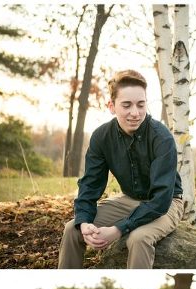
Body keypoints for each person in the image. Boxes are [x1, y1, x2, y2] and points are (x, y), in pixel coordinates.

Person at [58, 69, 184, 269]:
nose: (135, 113)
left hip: (167, 203)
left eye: (141, 105)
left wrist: (118, 229)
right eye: (127, 105)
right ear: (111, 106)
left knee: (138, 238)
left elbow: (161, 200)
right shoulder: (101, 137)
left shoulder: (162, 138)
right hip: (128, 199)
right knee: (72, 229)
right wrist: (84, 222)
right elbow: (90, 186)